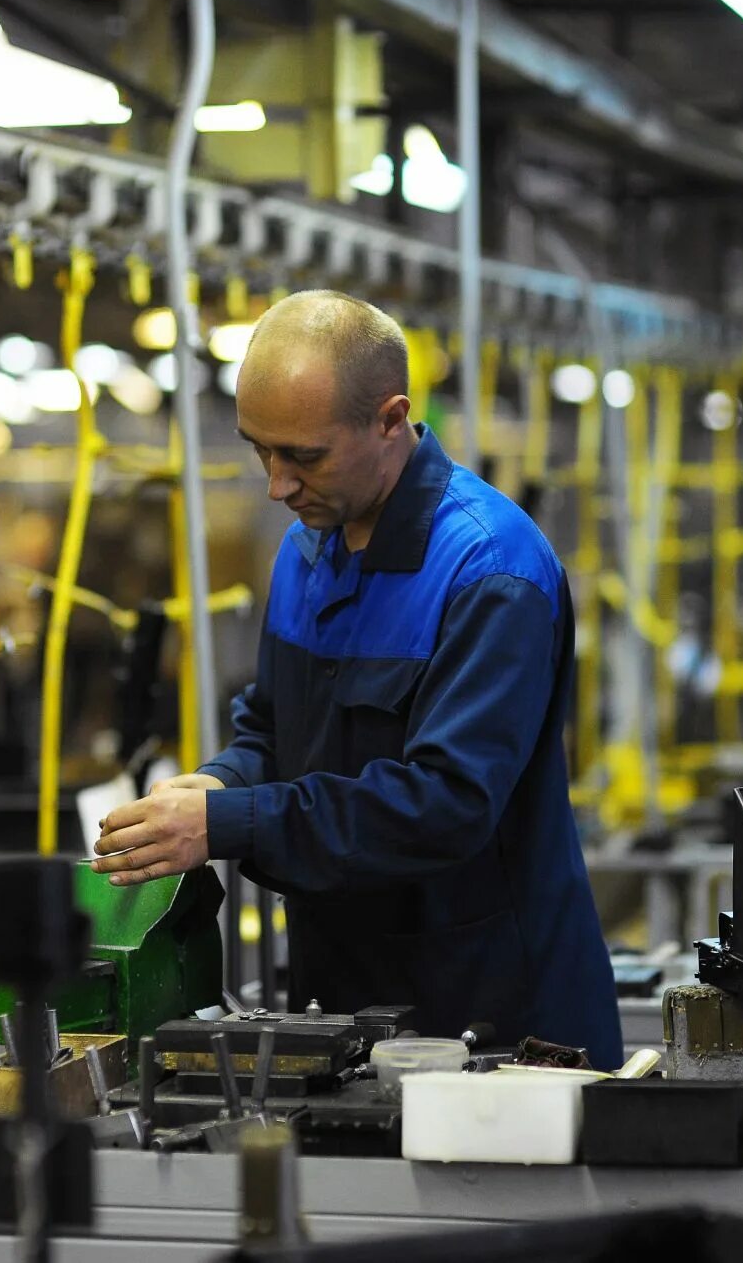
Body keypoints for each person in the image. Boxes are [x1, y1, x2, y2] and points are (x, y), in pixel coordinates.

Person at [89, 290, 623, 1066]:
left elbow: (445, 804)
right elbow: (272, 729)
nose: (277, 485)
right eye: (260, 450)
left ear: (390, 419)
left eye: (304, 456)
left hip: (497, 1027)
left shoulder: (490, 572)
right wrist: (214, 784)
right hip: (343, 1008)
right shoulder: (309, 549)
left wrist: (228, 825)